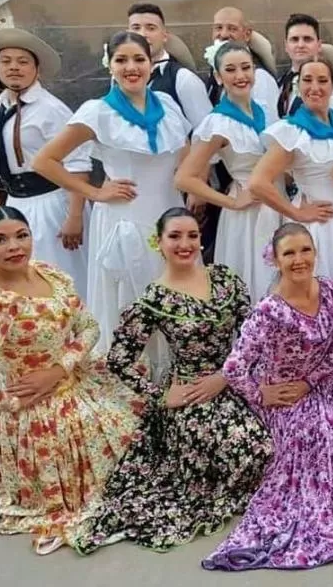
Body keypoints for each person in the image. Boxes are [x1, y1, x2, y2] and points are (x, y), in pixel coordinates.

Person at [72, 208, 272, 554]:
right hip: (193, 392)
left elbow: (253, 335)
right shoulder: (154, 299)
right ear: (159, 243)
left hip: (234, 378)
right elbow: (118, 359)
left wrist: (226, 375)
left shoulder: (225, 278)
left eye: (192, 236)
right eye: (175, 236)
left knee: (278, 443)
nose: (185, 244)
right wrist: (161, 396)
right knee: (250, 449)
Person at [203, 223, 333, 570]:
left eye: (305, 250)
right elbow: (233, 368)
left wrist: (312, 380)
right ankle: (320, 507)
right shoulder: (269, 311)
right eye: (289, 253)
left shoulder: (332, 290)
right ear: (276, 260)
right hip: (283, 391)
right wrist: (261, 394)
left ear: (315, 252)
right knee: (314, 431)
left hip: (322, 379)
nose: (298, 259)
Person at [0, 207, 139, 555]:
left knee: (138, 417)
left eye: (21, 235)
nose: (14, 246)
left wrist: (59, 369)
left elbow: (89, 327)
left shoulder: (49, 274)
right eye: (0, 240)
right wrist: (13, 403)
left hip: (73, 375)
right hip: (35, 409)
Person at [32, 31, 191, 355]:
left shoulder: (169, 106)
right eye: (122, 60)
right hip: (125, 217)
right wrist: (94, 192)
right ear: (110, 66)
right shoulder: (97, 112)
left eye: (139, 59)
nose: (131, 67)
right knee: (135, 299)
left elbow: (182, 152)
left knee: (176, 290)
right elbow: (44, 161)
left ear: (151, 63)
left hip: (169, 210)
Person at [0, 27, 91, 296]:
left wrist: (74, 217)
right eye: (6, 61)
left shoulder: (50, 109)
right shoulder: (3, 104)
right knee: (26, 278)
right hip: (19, 203)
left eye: (22, 61)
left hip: (53, 202)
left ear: (37, 68)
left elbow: (78, 163)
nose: (14, 68)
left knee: (61, 275)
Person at [174, 41, 281, 302]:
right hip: (248, 214)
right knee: (254, 281)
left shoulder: (265, 111)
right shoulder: (218, 123)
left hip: (277, 204)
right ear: (219, 77)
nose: (240, 76)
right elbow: (184, 177)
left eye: (246, 67)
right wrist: (231, 202)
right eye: (231, 70)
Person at [251, 57, 333, 313]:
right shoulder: (293, 132)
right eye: (307, 80)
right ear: (298, 87)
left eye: (323, 81)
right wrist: (297, 213)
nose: (315, 87)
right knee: (321, 305)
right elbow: (258, 182)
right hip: (320, 229)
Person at [127, 2, 213, 126]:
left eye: (151, 28)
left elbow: (206, 133)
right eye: (136, 28)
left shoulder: (183, 79)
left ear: (165, 35)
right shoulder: (120, 77)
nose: (143, 34)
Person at [275, 13, 333, 128]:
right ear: (286, 46)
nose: (300, 45)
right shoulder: (281, 83)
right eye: (294, 39)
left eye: (307, 39)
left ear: (319, 45)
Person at [206, 7, 280, 116]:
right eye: (218, 28)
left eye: (232, 29)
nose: (224, 34)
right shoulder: (214, 71)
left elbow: (267, 123)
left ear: (247, 34)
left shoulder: (260, 77)